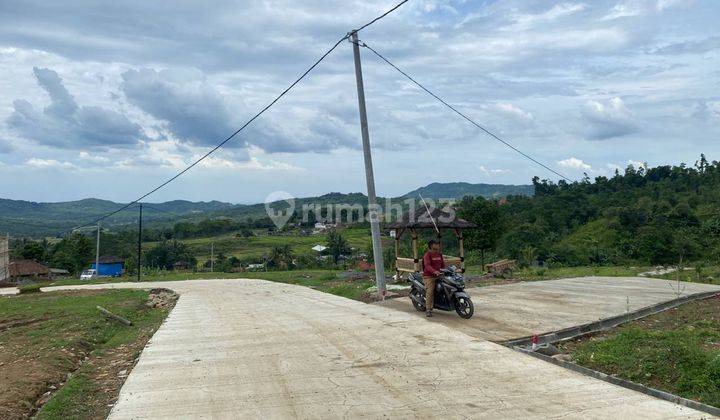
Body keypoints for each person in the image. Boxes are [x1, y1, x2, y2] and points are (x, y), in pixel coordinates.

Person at [422, 239, 445, 317]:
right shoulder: (427, 255)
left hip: (439, 275)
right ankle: (428, 309)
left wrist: (446, 271)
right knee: (430, 291)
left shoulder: (439, 254)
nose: (438, 245)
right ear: (432, 246)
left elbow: (442, 265)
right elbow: (427, 266)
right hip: (429, 276)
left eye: (438, 244)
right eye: (436, 244)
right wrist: (434, 271)